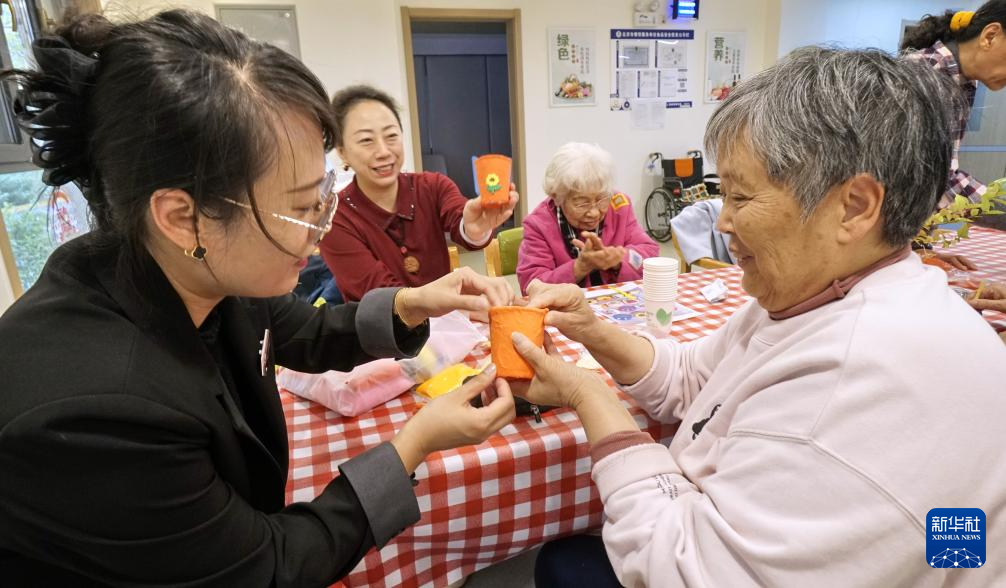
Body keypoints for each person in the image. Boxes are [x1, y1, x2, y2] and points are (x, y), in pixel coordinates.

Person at [0, 11, 517, 586]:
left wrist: (417, 302)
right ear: (182, 217)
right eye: (299, 208)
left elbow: (309, 333)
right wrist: (412, 446)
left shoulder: (198, 273)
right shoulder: (98, 414)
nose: (319, 229)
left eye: (323, 195)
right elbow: (268, 567)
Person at [514, 47, 1006, 586]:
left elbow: (682, 568)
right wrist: (590, 328)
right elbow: (692, 376)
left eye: (741, 196)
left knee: (562, 564)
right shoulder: (821, 294)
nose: (722, 222)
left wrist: (590, 395)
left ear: (855, 206)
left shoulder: (852, 381)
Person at [318, 85, 519, 302]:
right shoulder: (335, 217)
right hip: (380, 334)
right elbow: (378, 294)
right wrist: (461, 297)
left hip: (448, 326)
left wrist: (475, 228)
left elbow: (459, 218)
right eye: (366, 140)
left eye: (391, 136)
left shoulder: (432, 186)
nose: (384, 151)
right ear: (342, 151)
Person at [903, 1, 1006, 270]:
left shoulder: (960, 79)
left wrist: (920, 248)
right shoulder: (923, 75)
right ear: (990, 36)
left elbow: (922, 184)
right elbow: (929, 176)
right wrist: (996, 207)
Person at [516, 142, 658, 293]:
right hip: (565, 312)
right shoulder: (539, 224)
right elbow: (531, 284)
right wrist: (580, 267)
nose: (594, 212)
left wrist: (618, 260)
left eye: (601, 199)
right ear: (557, 197)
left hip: (619, 306)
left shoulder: (619, 206)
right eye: (582, 203)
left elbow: (649, 254)